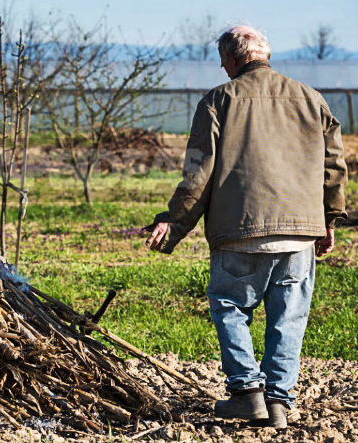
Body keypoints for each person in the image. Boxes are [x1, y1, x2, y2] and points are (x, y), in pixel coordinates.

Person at [144, 25, 348, 429]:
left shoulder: (219, 100)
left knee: (229, 305)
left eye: (223, 62)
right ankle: (277, 403)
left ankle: (245, 392)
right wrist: (329, 220)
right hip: (298, 232)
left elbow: (198, 174)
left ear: (234, 59)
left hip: (240, 230)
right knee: (288, 319)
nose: (223, 69)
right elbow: (333, 167)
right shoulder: (312, 99)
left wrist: (174, 222)